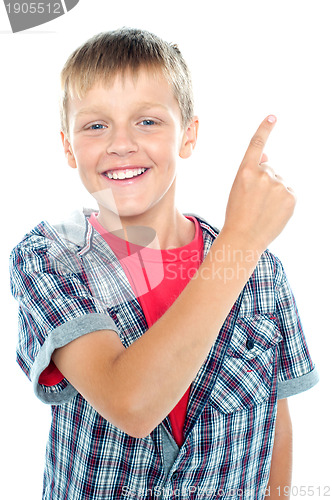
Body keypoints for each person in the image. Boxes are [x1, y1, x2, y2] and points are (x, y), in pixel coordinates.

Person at [9, 28, 318, 499]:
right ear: (69, 147)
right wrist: (242, 238)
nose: (121, 144)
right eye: (96, 126)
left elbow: (275, 424)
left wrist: (243, 246)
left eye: (148, 122)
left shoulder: (263, 272)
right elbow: (131, 404)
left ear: (188, 134)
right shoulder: (50, 257)